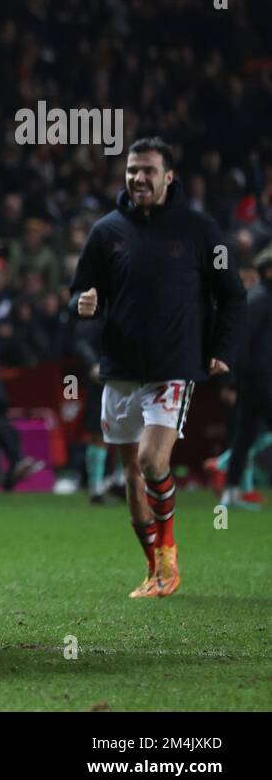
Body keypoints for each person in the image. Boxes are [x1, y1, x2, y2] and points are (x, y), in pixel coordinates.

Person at [71, 137, 246, 598]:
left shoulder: (199, 229)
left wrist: (223, 349)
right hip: (121, 368)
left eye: (148, 170)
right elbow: (80, 291)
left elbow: (233, 293)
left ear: (169, 176)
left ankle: (168, 554)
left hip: (174, 365)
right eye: (132, 170)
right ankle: (153, 569)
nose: (138, 179)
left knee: (152, 460)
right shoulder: (106, 231)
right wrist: (82, 302)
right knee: (130, 470)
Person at [222, 244, 272, 508]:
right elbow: (241, 342)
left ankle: (230, 492)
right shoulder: (260, 299)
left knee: (245, 435)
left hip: (254, 379)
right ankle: (229, 489)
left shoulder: (261, 297)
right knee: (245, 435)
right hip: (259, 380)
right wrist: (232, 381)